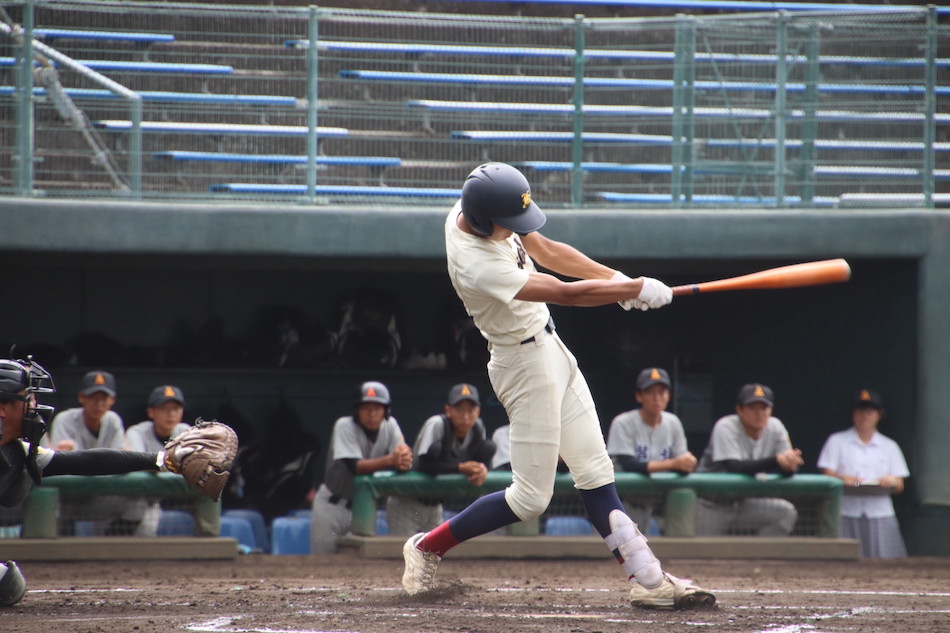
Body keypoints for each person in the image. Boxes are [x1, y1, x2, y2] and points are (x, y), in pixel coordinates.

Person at [401, 162, 715, 610]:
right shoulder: (477, 264)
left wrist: (618, 282)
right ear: (485, 220)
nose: (516, 231)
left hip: (550, 349)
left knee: (594, 470)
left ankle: (648, 580)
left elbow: (546, 248)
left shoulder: (478, 206)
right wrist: (633, 287)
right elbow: (561, 290)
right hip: (521, 364)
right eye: (508, 225)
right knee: (530, 498)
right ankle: (426, 546)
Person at [0, 356, 220, 607]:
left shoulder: (17, 450)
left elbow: (87, 461)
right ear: (3, 407)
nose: (35, 406)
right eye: (27, 398)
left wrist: (162, 459)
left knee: (7, 583)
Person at [310, 381, 413, 554]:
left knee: (357, 566)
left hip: (364, 508)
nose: (371, 413)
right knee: (323, 561)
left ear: (385, 411)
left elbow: (402, 455)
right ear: (357, 410)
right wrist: (392, 460)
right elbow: (355, 467)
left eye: (377, 408)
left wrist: (404, 458)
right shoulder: (344, 425)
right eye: (366, 408)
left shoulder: (391, 425)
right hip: (332, 507)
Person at [695, 383, 804, 536]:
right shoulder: (726, 426)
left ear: (770, 410)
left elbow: (786, 466)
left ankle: (762, 558)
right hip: (711, 504)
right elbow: (735, 467)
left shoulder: (776, 427)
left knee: (785, 513)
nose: (759, 413)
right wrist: (777, 461)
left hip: (744, 502)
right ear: (739, 410)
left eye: (764, 408)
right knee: (703, 554)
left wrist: (790, 465)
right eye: (753, 408)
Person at [388, 383, 496, 536]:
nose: (465, 416)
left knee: (433, 556)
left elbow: (476, 463)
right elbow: (425, 465)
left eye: (470, 410)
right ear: (448, 410)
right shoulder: (437, 424)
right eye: (459, 410)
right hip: (408, 501)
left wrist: (481, 469)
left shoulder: (478, 429)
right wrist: (461, 468)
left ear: (478, 412)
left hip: (436, 505)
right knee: (403, 553)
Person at [47, 370, 144, 535]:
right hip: (67, 499)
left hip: (99, 497)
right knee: (49, 501)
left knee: (137, 504)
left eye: (104, 398)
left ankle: (110, 548)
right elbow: (64, 468)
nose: (98, 404)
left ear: (112, 400)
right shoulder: (65, 419)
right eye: (93, 397)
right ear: (81, 397)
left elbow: (116, 463)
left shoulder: (112, 420)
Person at [817, 389, 909, 558]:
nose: (864, 416)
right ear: (853, 413)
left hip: (880, 513)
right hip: (847, 511)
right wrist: (842, 478)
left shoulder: (890, 446)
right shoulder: (837, 441)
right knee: (844, 563)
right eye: (860, 410)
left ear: (879, 415)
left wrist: (891, 481)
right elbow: (826, 475)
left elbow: (900, 485)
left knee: (886, 564)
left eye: (869, 411)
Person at [606, 367, 697, 532]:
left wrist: (688, 463)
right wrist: (674, 463)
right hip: (623, 504)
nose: (657, 398)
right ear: (639, 396)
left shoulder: (673, 423)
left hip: (657, 505)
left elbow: (683, 463)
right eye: (650, 392)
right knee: (617, 553)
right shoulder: (623, 422)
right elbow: (629, 464)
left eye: (662, 392)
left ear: (668, 396)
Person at [125, 385, 192, 537]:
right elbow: (139, 463)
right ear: (151, 412)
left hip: (176, 500)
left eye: (176, 408)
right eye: (164, 408)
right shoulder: (137, 432)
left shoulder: (185, 431)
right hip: (141, 499)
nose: (171, 414)